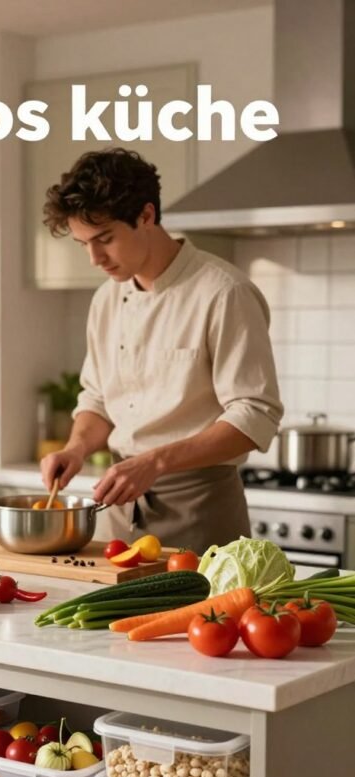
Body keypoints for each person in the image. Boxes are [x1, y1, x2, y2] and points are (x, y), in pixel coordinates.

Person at [40, 148, 283, 553]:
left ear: (147, 215)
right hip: (117, 511)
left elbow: (254, 415)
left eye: (105, 239)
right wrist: (76, 448)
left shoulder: (224, 292)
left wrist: (154, 462)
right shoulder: (105, 299)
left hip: (199, 513)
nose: (95, 258)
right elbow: (98, 399)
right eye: (84, 244)